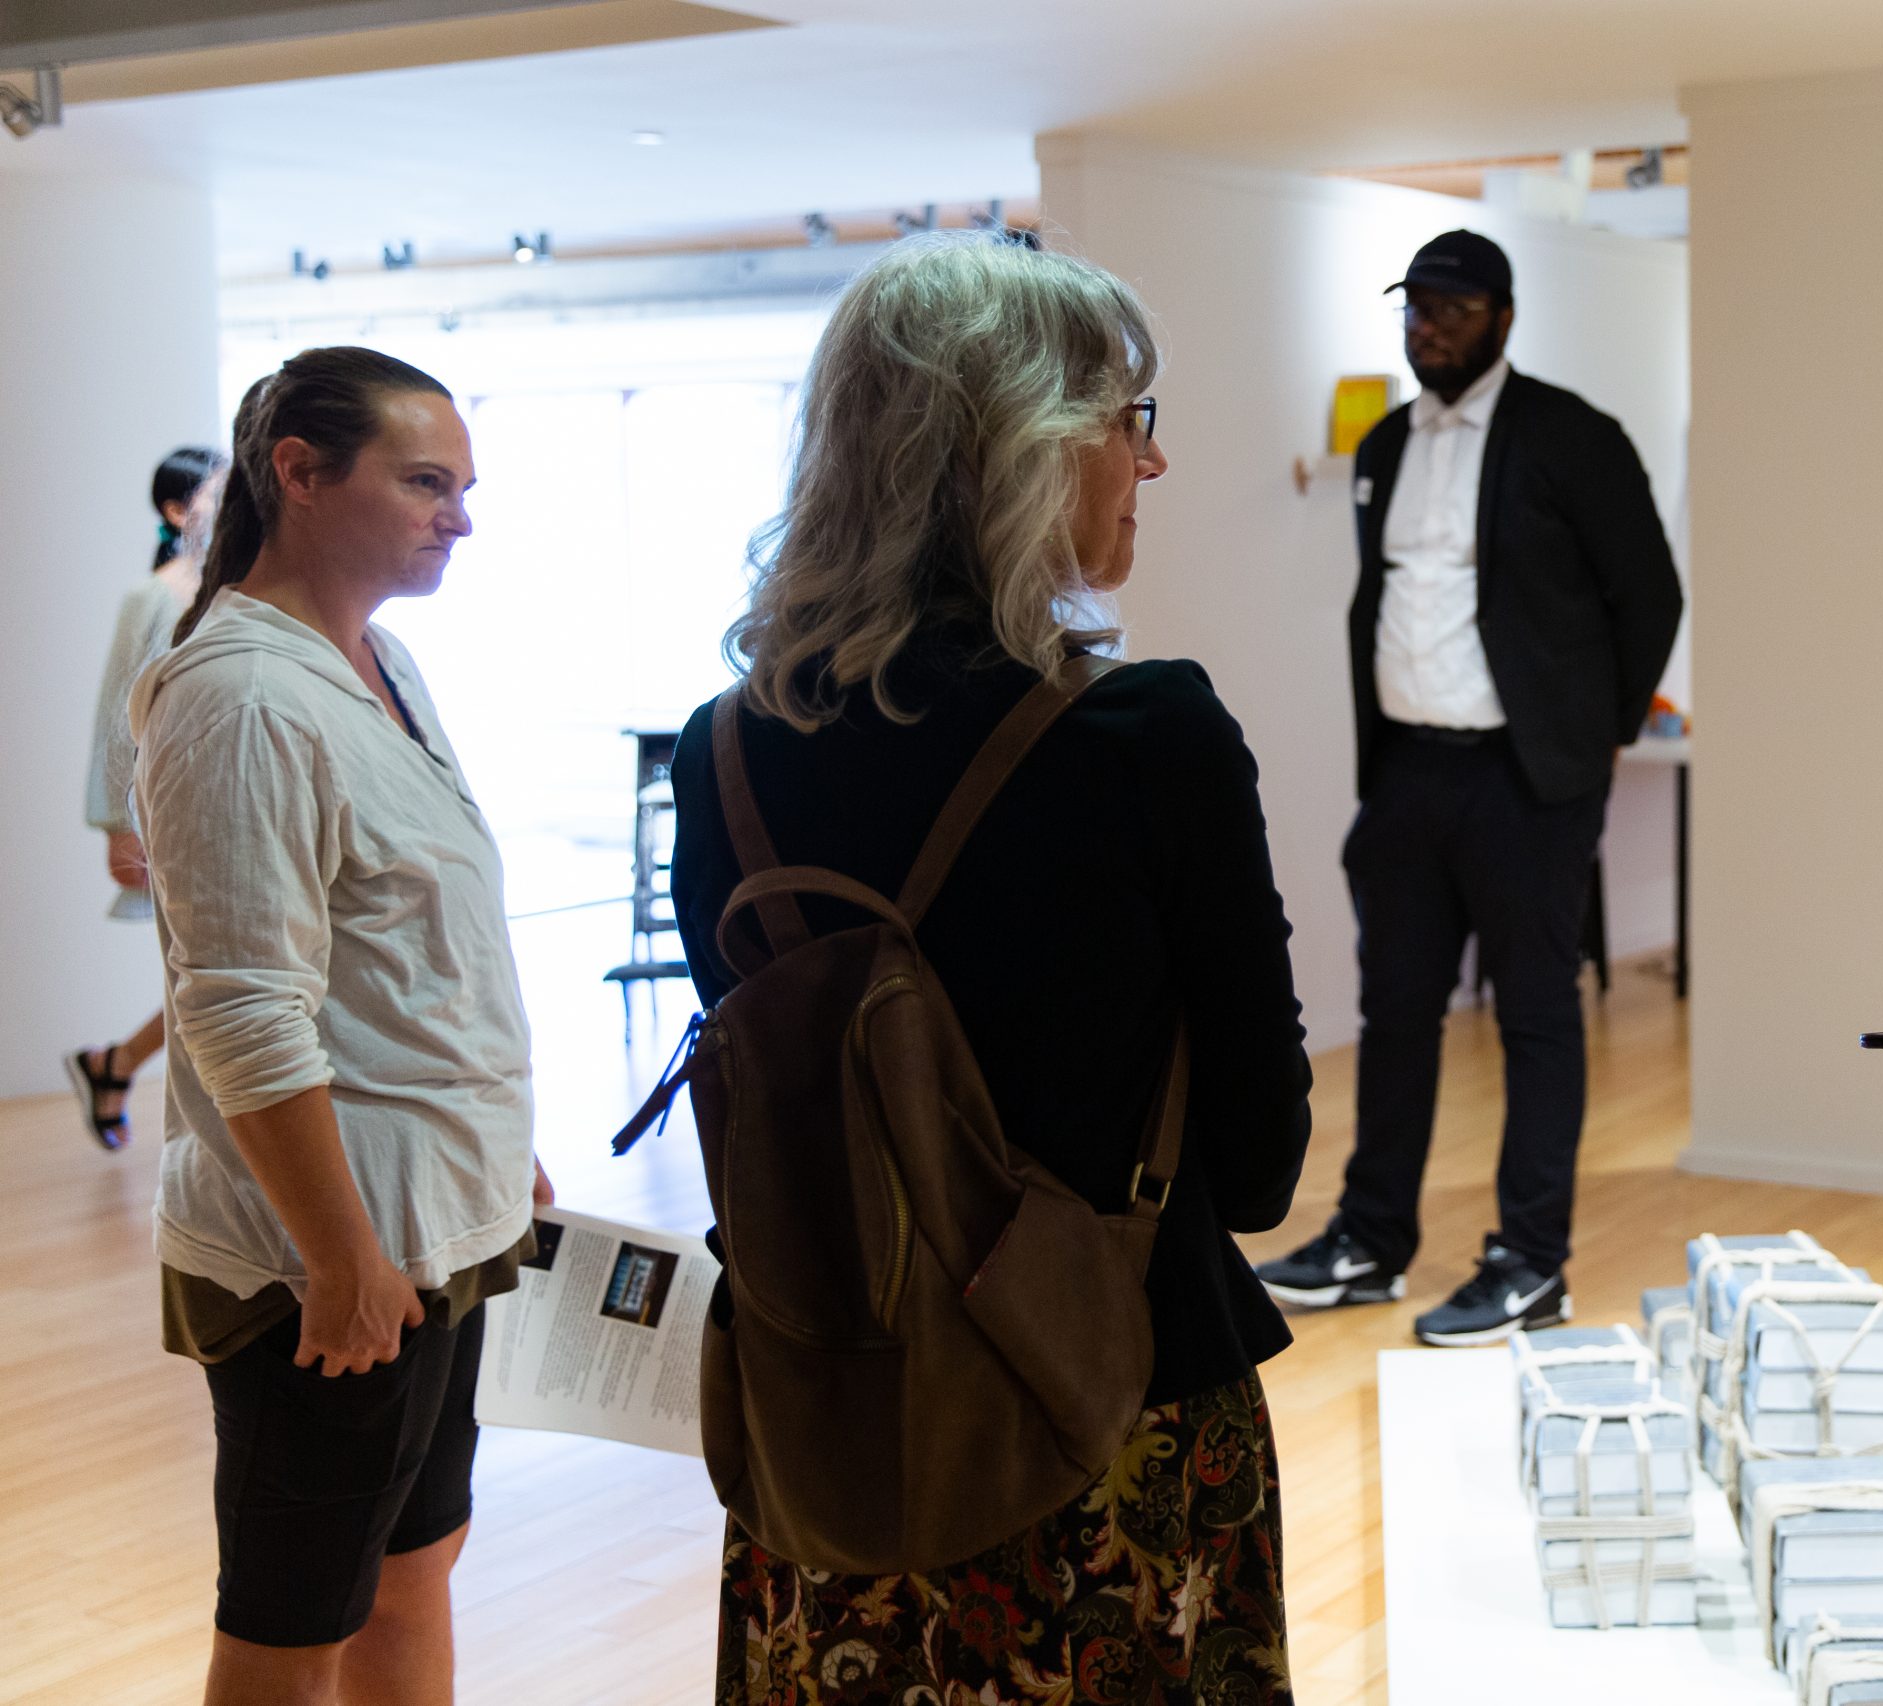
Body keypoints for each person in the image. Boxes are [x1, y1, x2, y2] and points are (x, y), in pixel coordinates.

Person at [670, 232, 1313, 1705]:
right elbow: (1262, 1162)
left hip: (836, 1428)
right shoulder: (1151, 739)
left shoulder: (727, 751)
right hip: (1109, 1412)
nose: (1146, 465)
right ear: (1019, 444)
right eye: (1125, 420)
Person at [132, 347, 549, 1706]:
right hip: (329, 1255)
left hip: (425, 1217)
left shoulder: (382, 663)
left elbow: (411, 959)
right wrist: (339, 1253)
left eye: (464, 486)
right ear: (300, 474)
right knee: (289, 1625)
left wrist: (491, 1152)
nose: (460, 516)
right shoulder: (242, 694)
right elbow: (245, 1010)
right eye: (426, 482)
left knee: (414, 1562)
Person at [1254, 229, 1684, 1345]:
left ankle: (1531, 1260)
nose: (1425, 326)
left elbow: (1649, 595)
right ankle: (1369, 1237)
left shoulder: (1571, 436)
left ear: (1499, 315)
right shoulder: (1387, 443)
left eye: (1447, 308)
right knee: (1396, 1010)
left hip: (1526, 779)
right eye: (1413, 308)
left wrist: (1593, 737)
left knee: (1538, 1018)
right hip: (1404, 771)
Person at [69, 446, 224, 1147]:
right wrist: (113, 825)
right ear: (175, 509)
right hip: (167, 815)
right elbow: (115, 716)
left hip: (223, 805)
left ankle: (116, 1065)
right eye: (219, 492)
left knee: (217, 975)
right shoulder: (153, 595)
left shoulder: (231, 590)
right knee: (213, 976)